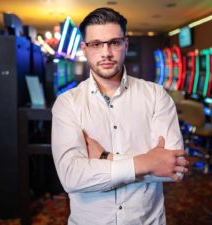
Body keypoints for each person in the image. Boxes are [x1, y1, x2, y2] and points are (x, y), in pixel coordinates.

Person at [51, 7, 189, 225]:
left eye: (114, 42)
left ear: (125, 45)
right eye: (96, 44)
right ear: (84, 49)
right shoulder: (67, 104)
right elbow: (71, 177)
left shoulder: (155, 95)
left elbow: (174, 167)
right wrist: (148, 162)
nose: (105, 52)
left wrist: (107, 158)